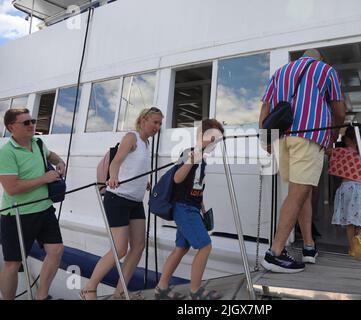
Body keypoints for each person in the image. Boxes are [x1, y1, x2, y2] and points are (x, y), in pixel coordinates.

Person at [259, 49, 346, 273]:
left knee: (300, 192)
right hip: (309, 135)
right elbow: (339, 111)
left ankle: (308, 247)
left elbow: (266, 107)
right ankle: (274, 253)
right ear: (321, 58)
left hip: (281, 139)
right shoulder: (326, 70)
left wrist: (265, 139)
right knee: (298, 193)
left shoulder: (280, 72)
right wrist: (334, 133)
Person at [80, 107, 163, 300]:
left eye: (160, 124)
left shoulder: (146, 143)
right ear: (143, 120)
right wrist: (114, 177)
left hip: (135, 201)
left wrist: (144, 182)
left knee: (139, 246)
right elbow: (116, 162)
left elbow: (134, 166)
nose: (157, 127)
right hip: (117, 198)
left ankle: (120, 293)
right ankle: (88, 289)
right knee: (120, 249)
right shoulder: (131, 137)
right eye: (155, 122)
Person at [154, 119, 224, 300]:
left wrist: (202, 207)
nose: (215, 143)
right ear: (201, 136)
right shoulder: (190, 153)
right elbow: (177, 178)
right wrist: (192, 159)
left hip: (192, 207)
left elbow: (196, 186)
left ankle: (161, 288)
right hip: (184, 208)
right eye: (212, 138)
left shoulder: (204, 161)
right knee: (205, 246)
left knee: (181, 248)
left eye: (218, 140)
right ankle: (195, 291)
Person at [0, 108, 65, 300]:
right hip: (17, 215)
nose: (32, 125)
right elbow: (11, 188)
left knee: (56, 250)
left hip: (44, 209)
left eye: (33, 121)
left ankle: (41, 296)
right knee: (13, 264)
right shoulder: (6, 153)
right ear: (12, 127)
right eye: (26, 123)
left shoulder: (37, 143)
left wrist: (60, 162)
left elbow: (51, 155)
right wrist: (44, 178)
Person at [328, 126, 361, 261]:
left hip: (345, 189)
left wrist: (332, 137)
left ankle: (352, 249)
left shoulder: (341, 152)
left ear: (347, 139)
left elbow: (327, 151)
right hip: (360, 189)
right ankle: (360, 238)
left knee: (349, 222)